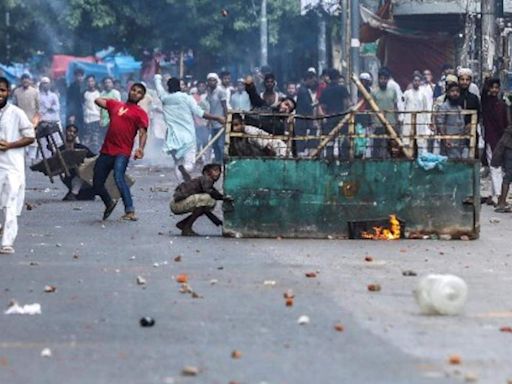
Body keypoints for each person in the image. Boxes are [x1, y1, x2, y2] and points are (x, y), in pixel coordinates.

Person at [154, 68, 225, 181]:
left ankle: (182, 185)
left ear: (168, 87)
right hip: (187, 137)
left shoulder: (165, 98)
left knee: (177, 163)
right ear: (180, 87)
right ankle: (185, 171)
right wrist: (217, 117)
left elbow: (158, 87)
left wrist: (157, 75)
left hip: (172, 138)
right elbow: (200, 113)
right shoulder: (187, 98)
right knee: (189, 164)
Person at [93, 83, 149, 221]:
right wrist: (112, 97)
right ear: (129, 91)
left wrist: (140, 148)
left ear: (142, 97)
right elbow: (98, 100)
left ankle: (130, 210)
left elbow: (143, 132)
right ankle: (109, 203)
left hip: (122, 151)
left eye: (139, 92)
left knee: (119, 177)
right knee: (96, 183)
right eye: (133, 90)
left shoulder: (140, 112)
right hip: (106, 150)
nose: (135, 93)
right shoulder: (115, 105)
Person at [0, 77, 35, 254]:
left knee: (9, 204)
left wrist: (10, 145)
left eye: (2, 90)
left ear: (8, 92)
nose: (0, 94)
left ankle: (7, 241)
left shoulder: (16, 113)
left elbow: (30, 136)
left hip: (12, 167)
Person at [170, 163, 226, 236]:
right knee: (207, 199)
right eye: (215, 170)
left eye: (219, 171)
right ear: (206, 172)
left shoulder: (204, 181)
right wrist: (224, 198)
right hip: (177, 204)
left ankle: (183, 224)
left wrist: (217, 221)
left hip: (177, 204)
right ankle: (187, 228)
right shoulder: (206, 179)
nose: (218, 174)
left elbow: (205, 210)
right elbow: (210, 192)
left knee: (204, 205)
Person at [481, 78, 508, 205]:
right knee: (495, 167)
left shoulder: (501, 104)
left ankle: (493, 195)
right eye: (492, 87)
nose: (494, 90)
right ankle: (498, 195)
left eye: (497, 87)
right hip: (491, 139)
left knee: (497, 168)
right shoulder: (486, 104)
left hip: (501, 140)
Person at [59, 124, 95, 201]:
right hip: (69, 177)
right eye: (69, 131)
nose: (71, 133)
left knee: (81, 173)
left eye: (74, 132)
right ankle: (73, 192)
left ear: (76, 135)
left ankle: (73, 193)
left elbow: (94, 158)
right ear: (65, 132)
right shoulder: (61, 149)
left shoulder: (81, 148)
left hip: (84, 179)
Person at [435, 83, 466, 159]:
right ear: (448, 93)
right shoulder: (444, 107)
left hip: (459, 141)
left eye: (457, 91)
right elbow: (440, 123)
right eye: (452, 91)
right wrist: (446, 138)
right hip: (449, 141)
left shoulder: (459, 107)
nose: (455, 93)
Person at [403, 74, 430, 153]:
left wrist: (426, 121)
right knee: (408, 140)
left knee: (420, 141)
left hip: (420, 121)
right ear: (412, 82)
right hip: (408, 119)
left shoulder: (423, 94)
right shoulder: (407, 93)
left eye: (418, 81)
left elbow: (425, 108)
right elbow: (402, 106)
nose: (416, 82)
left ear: (420, 82)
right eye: (415, 80)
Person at [206, 73, 228, 162]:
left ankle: (224, 163)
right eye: (210, 80)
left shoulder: (220, 91)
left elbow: (225, 107)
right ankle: (218, 162)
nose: (212, 82)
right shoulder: (209, 91)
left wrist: (226, 120)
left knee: (221, 145)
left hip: (221, 122)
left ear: (216, 81)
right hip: (213, 123)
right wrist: (209, 121)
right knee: (214, 145)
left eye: (213, 80)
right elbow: (211, 107)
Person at [295, 71, 318, 156]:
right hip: (302, 120)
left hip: (302, 120)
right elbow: (307, 106)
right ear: (308, 79)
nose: (313, 83)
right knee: (301, 140)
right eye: (312, 81)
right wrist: (316, 104)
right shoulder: (303, 91)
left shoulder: (303, 90)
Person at [492, 124, 512, 212]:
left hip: (508, 147)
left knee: (508, 175)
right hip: (509, 148)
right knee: (508, 175)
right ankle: (502, 202)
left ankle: (502, 202)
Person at [82, 75, 102, 152]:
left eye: (92, 81)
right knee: (87, 138)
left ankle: (96, 154)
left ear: (94, 82)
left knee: (96, 139)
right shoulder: (84, 93)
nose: (90, 83)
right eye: (89, 81)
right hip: (87, 119)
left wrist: (101, 118)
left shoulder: (99, 93)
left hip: (96, 118)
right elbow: (83, 106)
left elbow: (101, 107)